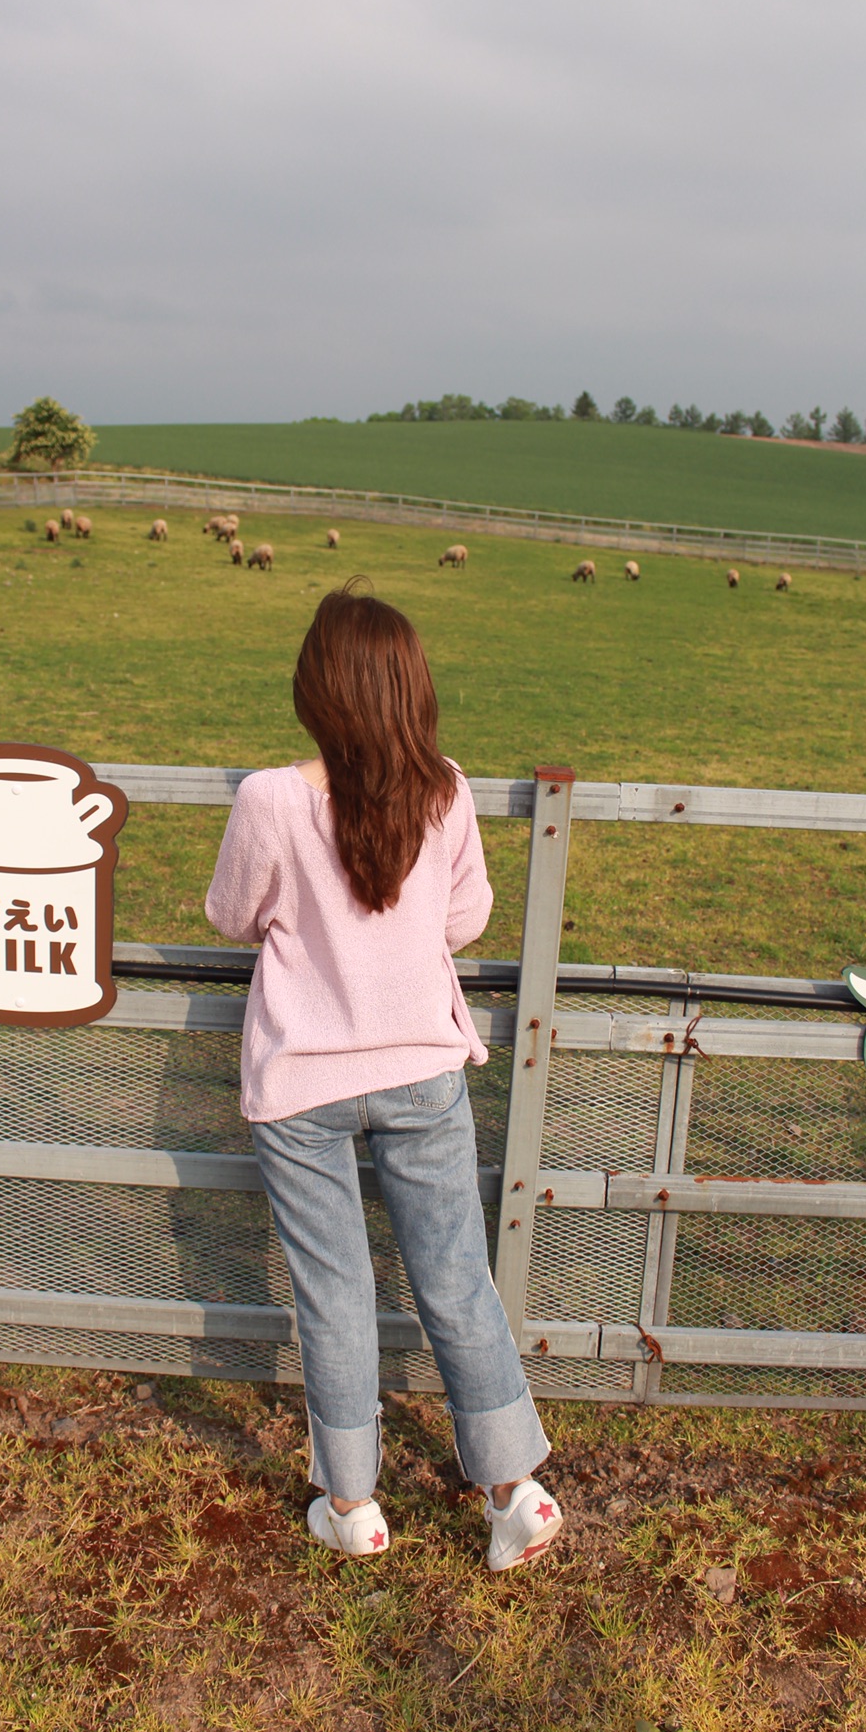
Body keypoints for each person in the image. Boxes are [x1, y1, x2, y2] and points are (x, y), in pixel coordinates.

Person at [205, 581, 562, 1571]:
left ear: (314, 689)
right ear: (410, 688)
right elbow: (464, 921)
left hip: (302, 1081)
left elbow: (232, 914)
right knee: (454, 1272)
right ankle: (510, 1488)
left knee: (332, 1286)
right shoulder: (443, 790)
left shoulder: (270, 798)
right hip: (421, 1072)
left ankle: (354, 1504)